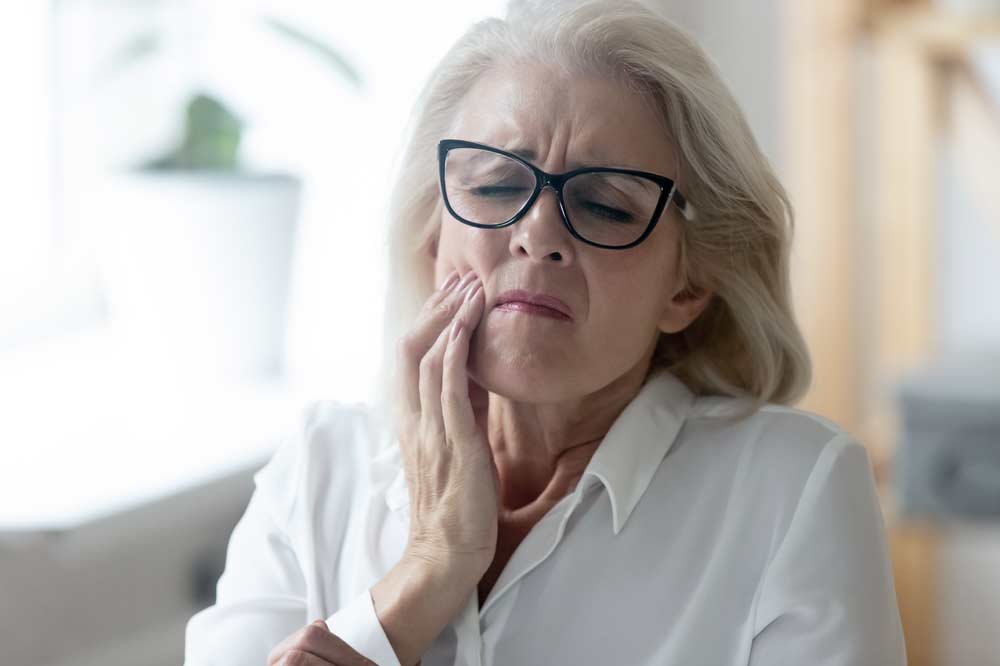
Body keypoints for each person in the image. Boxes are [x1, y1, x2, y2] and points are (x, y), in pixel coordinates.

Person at [183, 1, 907, 664]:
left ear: (688, 286)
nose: (537, 234)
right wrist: (428, 570)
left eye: (605, 206)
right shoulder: (319, 469)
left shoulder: (792, 491)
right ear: (432, 232)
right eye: (495, 185)